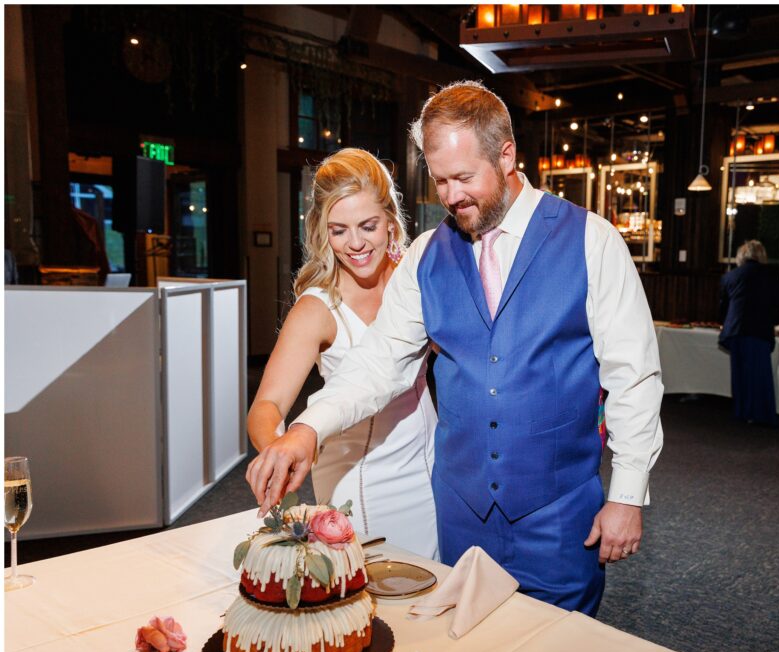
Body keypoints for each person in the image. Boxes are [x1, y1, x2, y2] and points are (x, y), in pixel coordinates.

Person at [247, 81, 664, 617]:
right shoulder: (425, 255)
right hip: (459, 515)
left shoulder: (592, 240)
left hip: (560, 518)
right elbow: (378, 364)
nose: (450, 196)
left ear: (507, 155)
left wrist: (627, 494)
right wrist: (307, 428)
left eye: (464, 177)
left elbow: (634, 376)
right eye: (440, 180)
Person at [245, 148, 438, 560]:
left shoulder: (416, 278)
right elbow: (267, 405)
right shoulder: (317, 309)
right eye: (338, 230)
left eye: (367, 225)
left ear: (390, 220)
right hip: (362, 483)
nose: (355, 244)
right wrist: (278, 451)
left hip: (433, 469)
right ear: (322, 231)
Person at [718, 239, 779, 426]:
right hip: (759, 329)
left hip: (735, 330)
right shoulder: (772, 275)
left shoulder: (731, 276)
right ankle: (760, 414)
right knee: (759, 373)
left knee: (740, 373)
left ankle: (742, 411)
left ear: (741, 256)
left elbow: (723, 306)